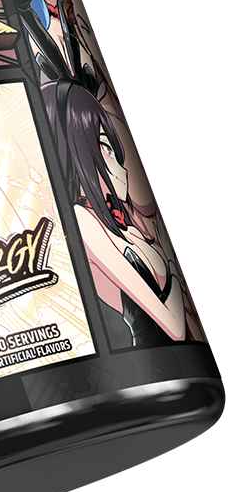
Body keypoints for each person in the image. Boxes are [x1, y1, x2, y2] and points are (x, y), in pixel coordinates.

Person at [53, 84, 201, 348]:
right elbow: (174, 327)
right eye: (106, 148)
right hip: (156, 362)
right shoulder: (82, 220)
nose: (123, 170)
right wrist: (172, 273)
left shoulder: (124, 225)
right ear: (77, 151)